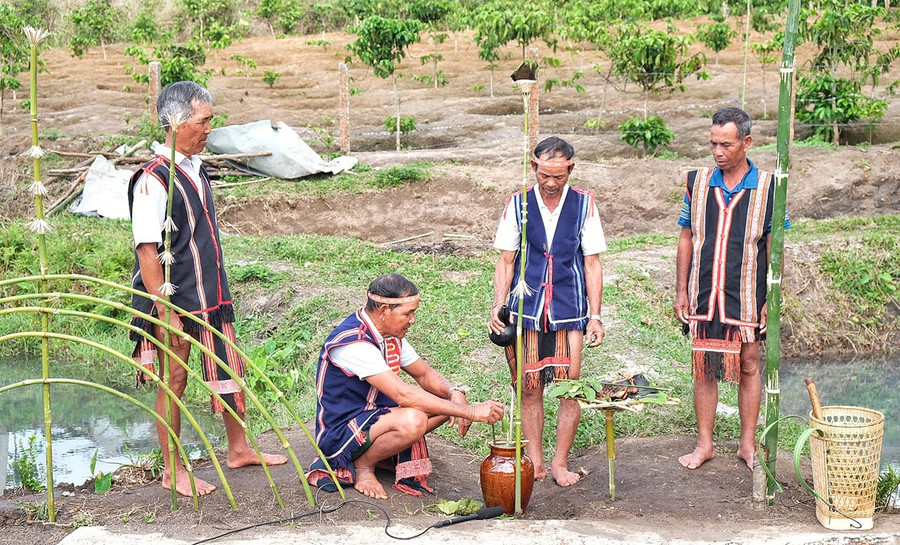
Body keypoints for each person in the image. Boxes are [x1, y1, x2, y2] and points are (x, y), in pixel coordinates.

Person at [128, 81, 287, 497]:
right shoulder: (152, 180)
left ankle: (238, 449)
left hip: (211, 293)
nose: (209, 130)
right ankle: (171, 471)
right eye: (203, 122)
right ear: (175, 122)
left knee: (229, 367)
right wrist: (164, 311)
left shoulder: (196, 167)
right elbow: (147, 251)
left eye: (211, 121)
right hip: (174, 299)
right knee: (174, 380)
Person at [307, 274, 505, 500]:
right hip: (341, 432)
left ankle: (379, 455)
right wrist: (470, 412)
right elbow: (403, 394)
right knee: (414, 419)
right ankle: (363, 465)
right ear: (383, 310)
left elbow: (424, 374)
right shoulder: (355, 342)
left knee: (448, 403)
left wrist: (455, 392)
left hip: (375, 418)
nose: (412, 320)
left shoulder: (389, 334)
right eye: (407, 314)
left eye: (414, 313)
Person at [673, 106, 789, 471]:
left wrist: (774, 296)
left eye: (726, 144)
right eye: (713, 144)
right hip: (704, 290)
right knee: (704, 365)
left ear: (747, 142)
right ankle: (704, 444)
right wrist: (680, 289)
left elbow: (775, 244)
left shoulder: (771, 187)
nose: (718, 152)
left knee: (750, 364)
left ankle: (747, 444)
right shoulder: (697, 181)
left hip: (748, 292)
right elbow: (686, 237)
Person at [488, 136, 606, 487]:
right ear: (533, 166)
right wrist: (498, 303)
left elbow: (592, 262)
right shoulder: (518, 204)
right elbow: (506, 260)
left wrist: (596, 315)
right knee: (529, 386)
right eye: (544, 176)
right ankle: (536, 460)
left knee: (570, 388)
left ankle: (559, 462)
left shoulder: (584, 204)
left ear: (571, 168)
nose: (551, 184)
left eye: (559, 176)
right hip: (526, 308)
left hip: (570, 309)